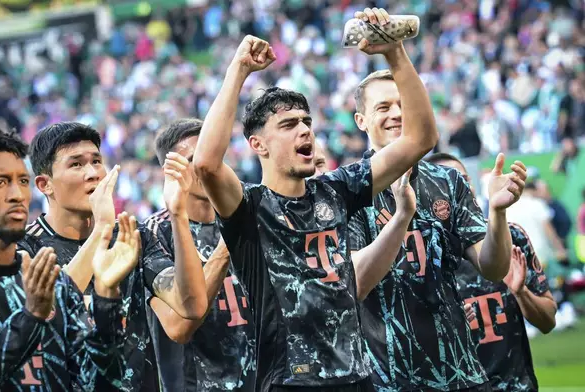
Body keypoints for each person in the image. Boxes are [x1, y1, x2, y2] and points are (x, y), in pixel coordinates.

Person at [193, 7, 439, 391]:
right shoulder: (249, 209)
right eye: (289, 125)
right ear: (258, 145)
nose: (304, 130)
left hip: (357, 379)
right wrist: (237, 71)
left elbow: (420, 139)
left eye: (306, 121)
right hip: (289, 382)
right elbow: (206, 165)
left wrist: (395, 53)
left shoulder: (336, 190)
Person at [349, 56, 527, 392]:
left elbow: (493, 267)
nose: (397, 114)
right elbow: (356, 282)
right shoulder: (347, 191)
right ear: (361, 120)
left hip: (462, 373)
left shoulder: (448, 182)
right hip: (389, 380)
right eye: (383, 106)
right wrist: (401, 218)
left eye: (403, 103)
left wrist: (498, 213)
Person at [0, 128, 140, 391]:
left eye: (22, 181)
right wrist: (30, 317)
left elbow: (100, 382)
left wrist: (106, 298)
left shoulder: (55, 281)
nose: (17, 195)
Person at [18, 121, 209, 391]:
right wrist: (103, 229)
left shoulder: (133, 237)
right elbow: (49, 318)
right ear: (44, 184)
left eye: (96, 161)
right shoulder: (26, 248)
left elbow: (192, 305)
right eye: (76, 164)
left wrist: (177, 214)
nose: (93, 173)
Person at [427, 152, 556, 392]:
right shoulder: (416, 256)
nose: (458, 188)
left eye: (463, 179)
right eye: (446, 182)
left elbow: (548, 321)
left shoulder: (512, 238)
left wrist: (521, 292)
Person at [144, 118, 256, 391]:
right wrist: (230, 239)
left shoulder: (251, 213)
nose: (207, 166)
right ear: (170, 171)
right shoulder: (153, 235)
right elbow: (179, 327)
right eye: (194, 159)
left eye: (213, 155)